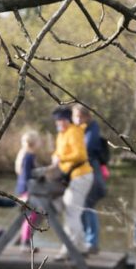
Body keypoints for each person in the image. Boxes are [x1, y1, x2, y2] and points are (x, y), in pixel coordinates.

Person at [50, 106, 92, 257]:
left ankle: (69, 249)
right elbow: (59, 151)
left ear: (67, 120)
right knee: (72, 212)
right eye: (57, 121)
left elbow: (80, 155)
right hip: (72, 177)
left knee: (71, 213)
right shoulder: (62, 134)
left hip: (80, 176)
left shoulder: (74, 132)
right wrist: (55, 156)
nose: (58, 123)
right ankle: (80, 247)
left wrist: (61, 158)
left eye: (60, 120)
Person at [72, 104, 110, 254]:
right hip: (84, 173)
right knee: (81, 207)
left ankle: (91, 242)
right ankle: (85, 241)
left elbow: (86, 150)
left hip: (92, 174)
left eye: (80, 117)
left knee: (87, 206)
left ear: (87, 117)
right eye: (75, 117)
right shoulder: (80, 129)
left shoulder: (92, 129)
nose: (77, 120)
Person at [14, 131, 40, 248]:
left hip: (22, 188)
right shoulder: (29, 156)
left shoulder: (24, 154)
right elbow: (27, 176)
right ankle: (25, 243)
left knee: (28, 215)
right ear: (33, 143)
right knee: (31, 216)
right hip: (27, 189)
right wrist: (28, 192)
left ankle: (21, 240)